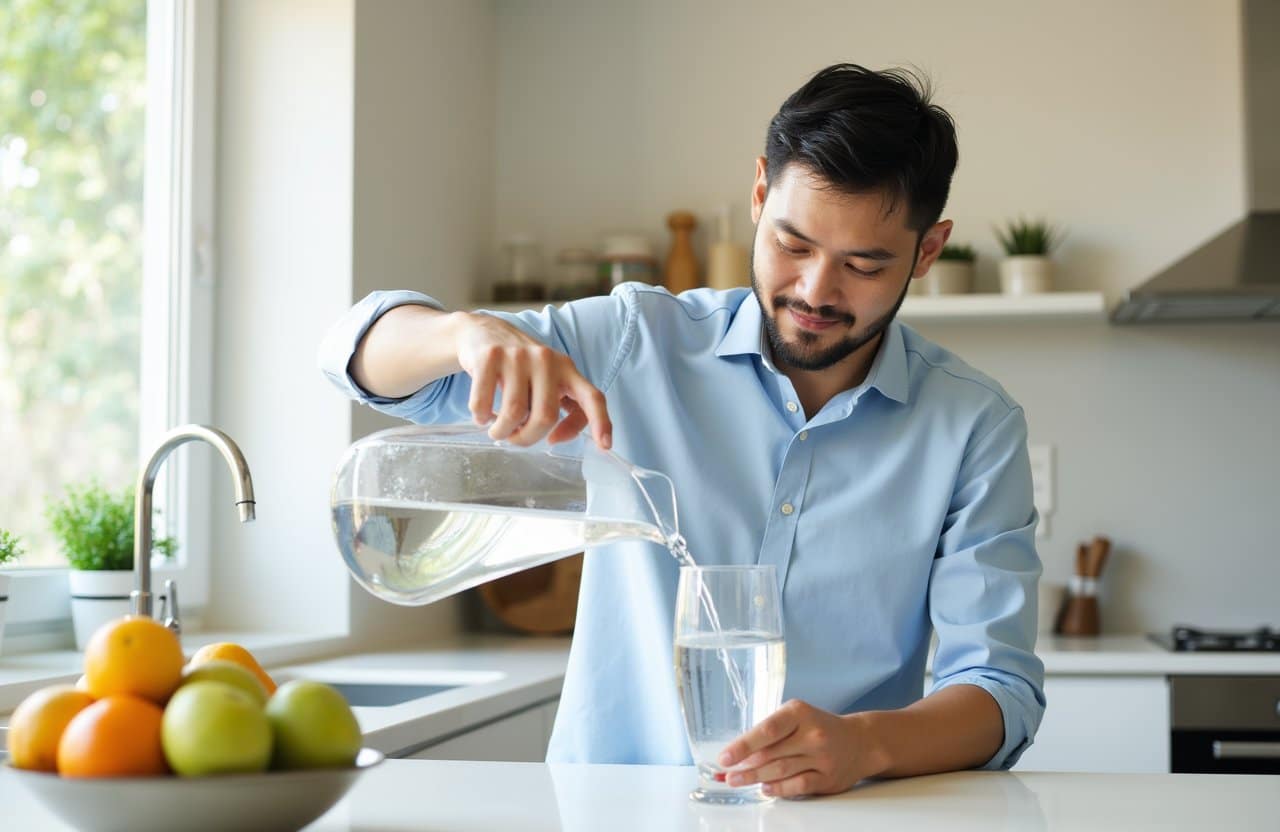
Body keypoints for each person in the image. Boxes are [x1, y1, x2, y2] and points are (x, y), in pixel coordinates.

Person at [318, 63, 1044, 798]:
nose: (816, 292)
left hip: (841, 815)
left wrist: (863, 744)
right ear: (759, 194)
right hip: (608, 808)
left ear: (927, 250)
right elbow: (355, 357)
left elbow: (999, 689)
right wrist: (465, 334)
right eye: (793, 245)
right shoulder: (638, 343)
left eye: (863, 265)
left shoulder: (972, 427)